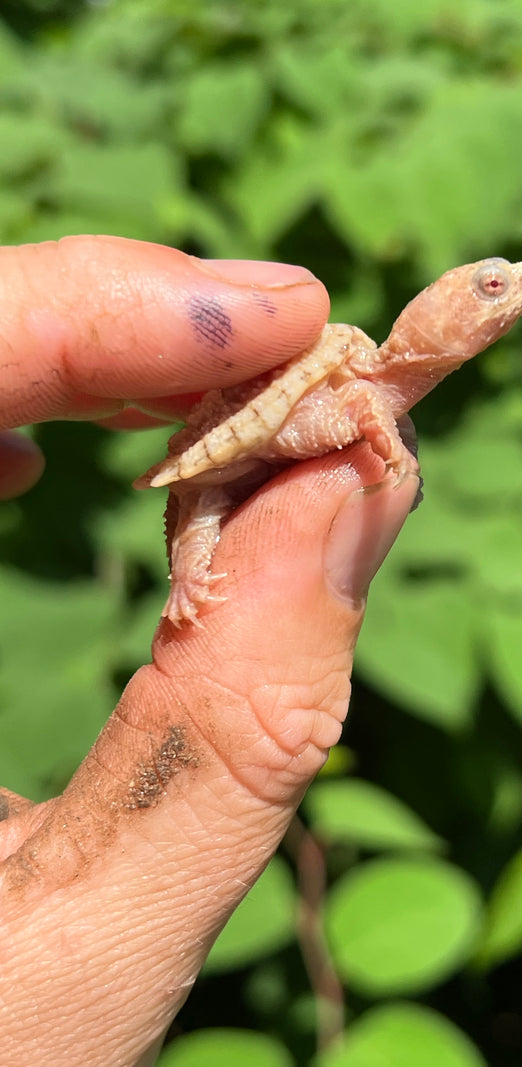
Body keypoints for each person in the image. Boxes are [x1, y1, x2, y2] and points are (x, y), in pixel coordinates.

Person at [0, 236, 420, 1066]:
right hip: (224, 454)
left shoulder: (356, 377)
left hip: (254, 440)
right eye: (485, 287)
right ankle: (191, 577)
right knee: (201, 521)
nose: (508, 293)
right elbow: (365, 421)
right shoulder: (357, 384)